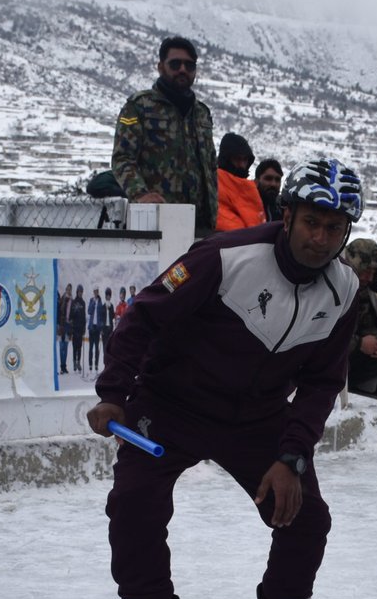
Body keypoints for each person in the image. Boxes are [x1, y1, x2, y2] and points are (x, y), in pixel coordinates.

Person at [85, 157, 366, 599]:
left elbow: (321, 383)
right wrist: (114, 392)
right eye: (312, 221)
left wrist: (292, 457)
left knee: (306, 515)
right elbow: (143, 316)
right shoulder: (224, 257)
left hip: (257, 417)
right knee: (135, 503)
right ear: (288, 215)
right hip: (171, 404)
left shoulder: (345, 291)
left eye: (334, 228)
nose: (320, 238)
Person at [111, 36, 218, 239]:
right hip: (157, 220)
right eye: (175, 64)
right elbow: (122, 158)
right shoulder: (139, 106)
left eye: (189, 65)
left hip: (201, 225)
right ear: (161, 67)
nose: (182, 70)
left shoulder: (202, 113)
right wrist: (140, 194)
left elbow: (211, 166)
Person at [342, 237, 377, 402]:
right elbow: (323, 338)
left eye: (373, 273)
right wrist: (359, 344)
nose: (369, 278)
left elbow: (366, 323)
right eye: (366, 271)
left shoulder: (364, 294)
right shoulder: (331, 292)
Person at [215, 132, 266, 232]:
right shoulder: (215, 184)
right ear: (226, 159)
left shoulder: (247, 187)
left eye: (245, 160)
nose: (242, 165)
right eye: (237, 159)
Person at [86, 287, 108, 372]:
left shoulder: (100, 302)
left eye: (97, 291)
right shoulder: (91, 300)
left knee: (96, 348)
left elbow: (101, 316)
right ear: (93, 292)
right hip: (91, 327)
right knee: (90, 347)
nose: (95, 293)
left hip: (97, 328)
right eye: (94, 291)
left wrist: (101, 327)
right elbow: (89, 311)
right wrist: (93, 303)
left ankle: (96, 364)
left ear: (98, 292)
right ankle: (90, 365)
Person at [68, 284, 88, 374]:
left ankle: (78, 362)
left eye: (81, 292)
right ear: (77, 292)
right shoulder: (74, 302)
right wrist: (74, 312)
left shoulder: (83, 303)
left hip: (80, 328)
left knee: (79, 346)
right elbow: (70, 316)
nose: (80, 293)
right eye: (79, 291)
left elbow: (84, 316)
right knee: (74, 346)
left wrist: (84, 327)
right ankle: (74, 362)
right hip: (74, 328)